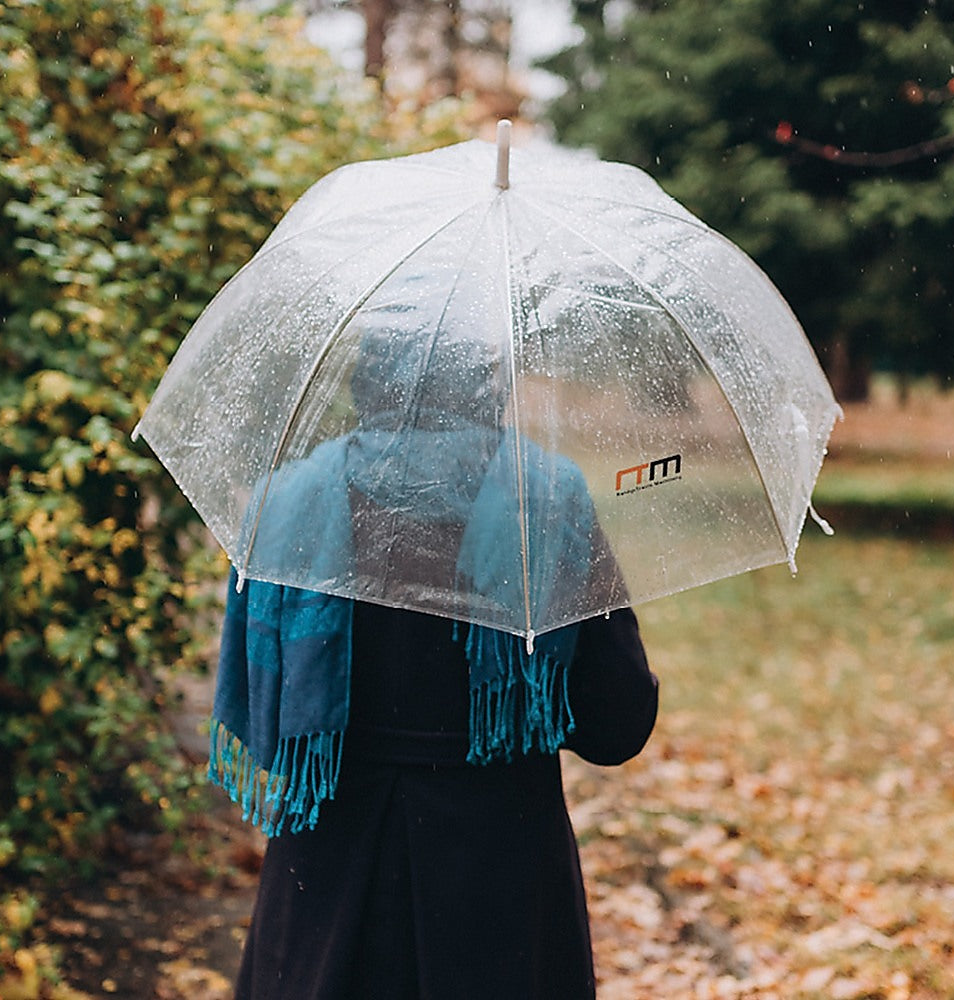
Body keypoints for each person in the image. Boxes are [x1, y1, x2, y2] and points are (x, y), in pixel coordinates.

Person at [209, 321, 660, 1000]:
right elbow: (616, 725)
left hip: (329, 884)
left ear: (367, 382)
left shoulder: (289, 502)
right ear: (486, 386)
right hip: (500, 888)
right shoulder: (546, 499)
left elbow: (260, 706)